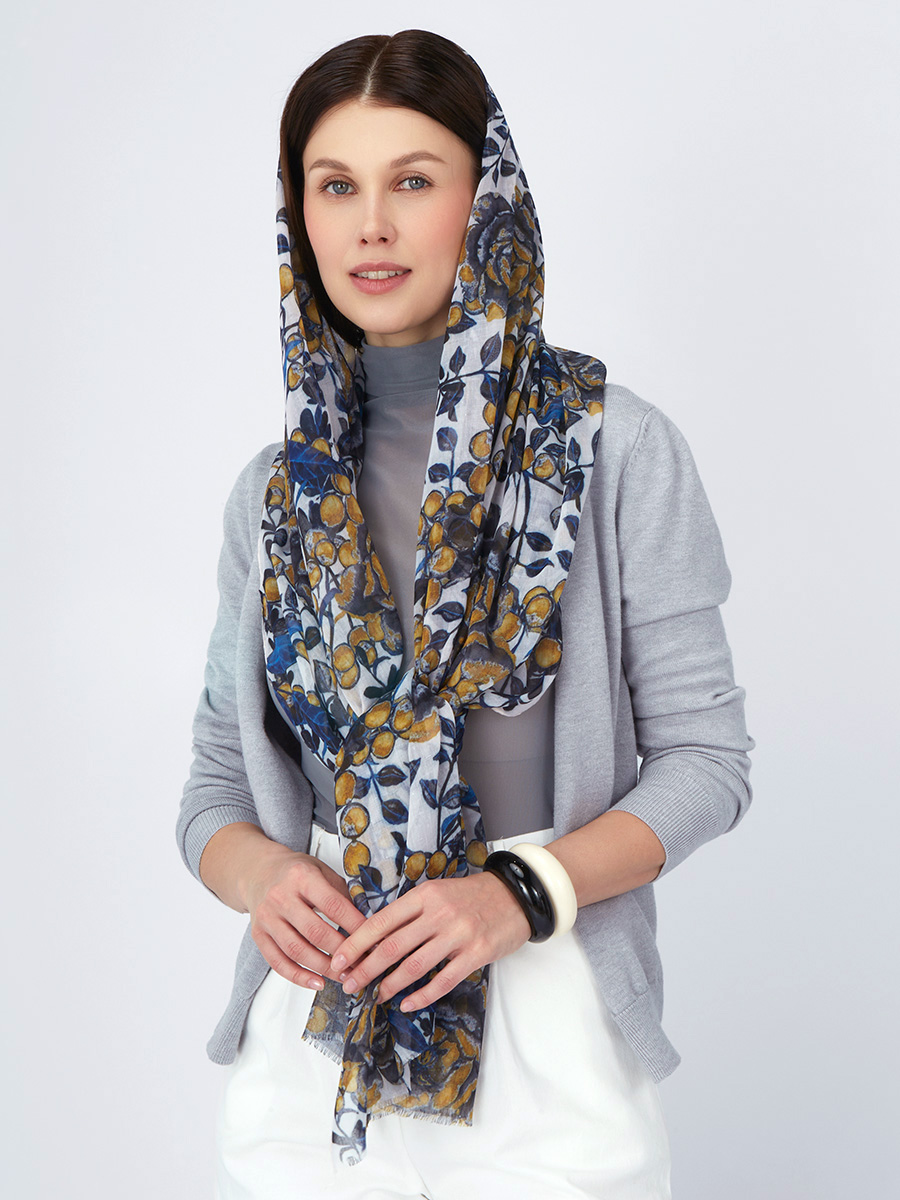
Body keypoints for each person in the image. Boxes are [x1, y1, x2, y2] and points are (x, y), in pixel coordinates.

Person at [177, 28, 753, 1199]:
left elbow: (709, 761)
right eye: (335, 186)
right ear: (298, 215)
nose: (370, 227)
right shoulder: (276, 496)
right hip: (314, 1057)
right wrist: (260, 881)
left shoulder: (614, 450)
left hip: (549, 1035)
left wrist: (516, 898)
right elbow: (216, 787)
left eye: (412, 181)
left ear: (486, 202)